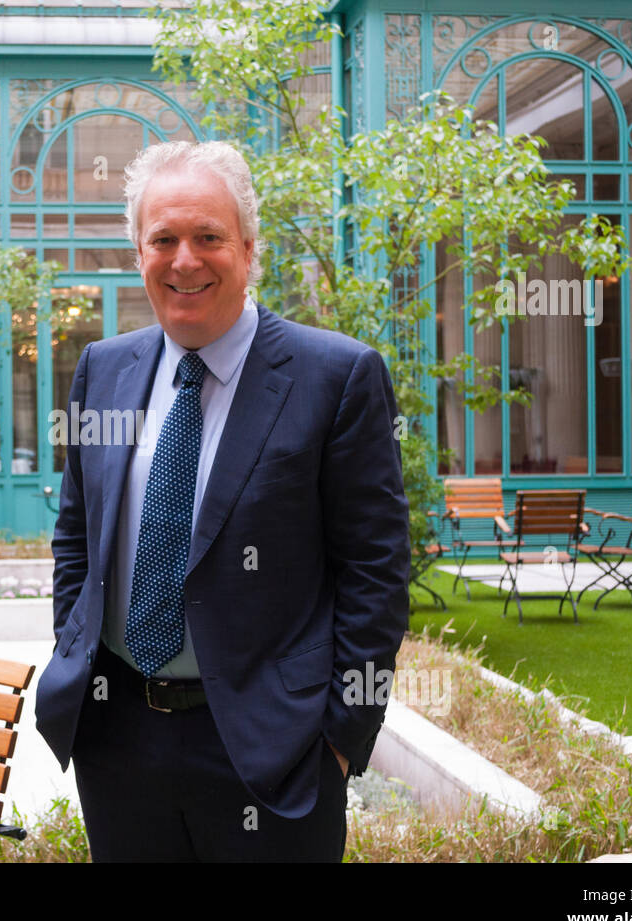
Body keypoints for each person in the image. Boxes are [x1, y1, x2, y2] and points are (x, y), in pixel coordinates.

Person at [34, 139, 410, 862]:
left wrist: (338, 736)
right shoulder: (102, 370)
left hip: (273, 750)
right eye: (163, 239)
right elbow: (77, 537)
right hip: (117, 742)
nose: (185, 260)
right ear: (138, 250)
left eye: (208, 237)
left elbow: (377, 573)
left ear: (247, 246)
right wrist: (75, 653)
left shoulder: (336, 376)